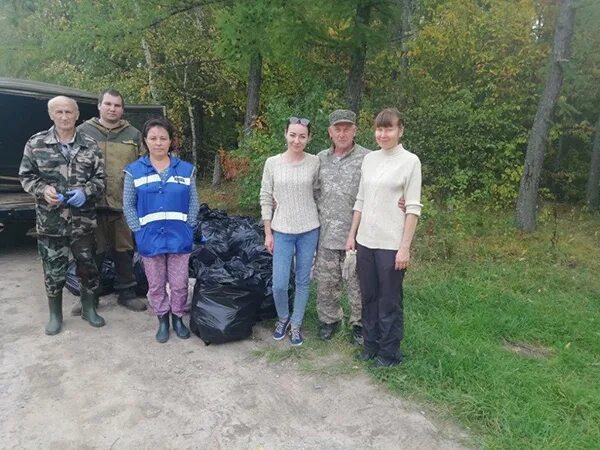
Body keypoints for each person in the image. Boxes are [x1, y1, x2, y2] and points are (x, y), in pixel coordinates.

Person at [19, 96, 106, 335]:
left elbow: (100, 180)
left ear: (77, 115)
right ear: (51, 115)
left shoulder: (90, 144)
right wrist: (43, 190)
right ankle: (55, 315)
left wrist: (85, 192)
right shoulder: (36, 143)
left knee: (88, 266)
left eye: (69, 112)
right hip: (51, 222)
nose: (65, 117)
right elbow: (26, 177)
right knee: (53, 269)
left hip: (83, 222)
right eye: (59, 112)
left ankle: (89, 309)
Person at [346, 108, 422, 368]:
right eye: (379, 129)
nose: (383, 134)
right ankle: (370, 345)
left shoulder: (410, 162)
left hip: (391, 245)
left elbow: (412, 208)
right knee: (369, 297)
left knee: (389, 301)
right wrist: (352, 234)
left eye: (389, 128)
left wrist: (404, 248)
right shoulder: (370, 159)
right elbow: (361, 199)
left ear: (400, 130)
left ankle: (389, 355)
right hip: (366, 241)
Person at [123, 117, 199, 343]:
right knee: (155, 284)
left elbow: (194, 200)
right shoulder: (134, 171)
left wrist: (190, 225)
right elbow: (128, 204)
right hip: (150, 238)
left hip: (179, 237)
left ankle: (178, 317)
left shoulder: (185, 170)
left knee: (179, 282)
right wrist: (138, 230)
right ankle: (162, 319)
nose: (158, 143)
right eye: (153, 138)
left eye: (163, 138)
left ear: (170, 141)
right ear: (145, 141)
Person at [73, 89, 146, 315]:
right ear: (99, 106)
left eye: (117, 105)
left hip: (122, 204)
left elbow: (143, 167)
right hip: (89, 205)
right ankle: (89, 297)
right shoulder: (82, 132)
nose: (112, 109)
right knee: (91, 253)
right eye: (108, 104)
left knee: (123, 250)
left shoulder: (133, 135)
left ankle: (126, 294)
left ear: (122, 109)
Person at [260, 117, 320, 346]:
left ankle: (296, 323)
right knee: (279, 283)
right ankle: (283, 318)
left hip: (309, 229)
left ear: (309, 138)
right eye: (293, 135)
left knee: (303, 280)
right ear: (285, 134)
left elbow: (319, 192)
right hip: (281, 230)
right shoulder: (272, 163)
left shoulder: (315, 162)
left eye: (302, 136)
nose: (297, 140)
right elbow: (266, 196)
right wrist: (268, 232)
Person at [314, 110, 370, 344]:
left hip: (356, 236)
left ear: (355, 130)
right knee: (326, 284)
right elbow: (308, 188)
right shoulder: (319, 159)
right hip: (326, 234)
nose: (342, 133)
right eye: (338, 129)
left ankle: (359, 324)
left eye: (347, 128)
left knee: (357, 286)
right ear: (330, 132)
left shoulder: (368, 158)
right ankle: (329, 320)